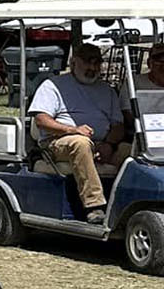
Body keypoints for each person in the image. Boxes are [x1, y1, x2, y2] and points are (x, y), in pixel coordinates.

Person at [29, 42, 130, 223]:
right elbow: (42, 120)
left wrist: (108, 144)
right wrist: (73, 130)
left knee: (130, 150)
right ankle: (94, 205)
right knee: (80, 143)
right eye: (87, 63)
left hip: (100, 144)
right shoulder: (53, 85)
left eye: (97, 63)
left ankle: (130, 204)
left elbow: (118, 125)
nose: (92, 68)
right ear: (74, 62)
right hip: (58, 142)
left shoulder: (106, 90)